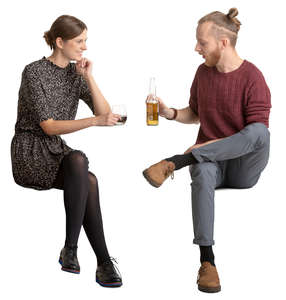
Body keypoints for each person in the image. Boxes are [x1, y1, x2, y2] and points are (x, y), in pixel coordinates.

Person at [143, 8, 271, 293]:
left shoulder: (253, 77)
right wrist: (171, 112)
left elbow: (255, 137)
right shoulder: (203, 73)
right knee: (201, 168)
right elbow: (196, 113)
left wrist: (201, 149)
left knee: (260, 131)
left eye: (203, 43)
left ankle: (178, 161)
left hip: (242, 168)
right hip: (209, 163)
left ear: (223, 43)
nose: (197, 48)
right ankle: (207, 262)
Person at [10, 15, 122, 287]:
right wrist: (95, 121)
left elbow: (105, 113)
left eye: (85, 41)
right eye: (79, 41)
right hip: (30, 151)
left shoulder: (76, 74)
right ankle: (80, 252)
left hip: (57, 152)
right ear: (60, 42)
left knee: (87, 176)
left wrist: (89, 78)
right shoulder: (34, 71)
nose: (84, 47)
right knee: (79, 161)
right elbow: (48, 127)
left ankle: (95, 259)